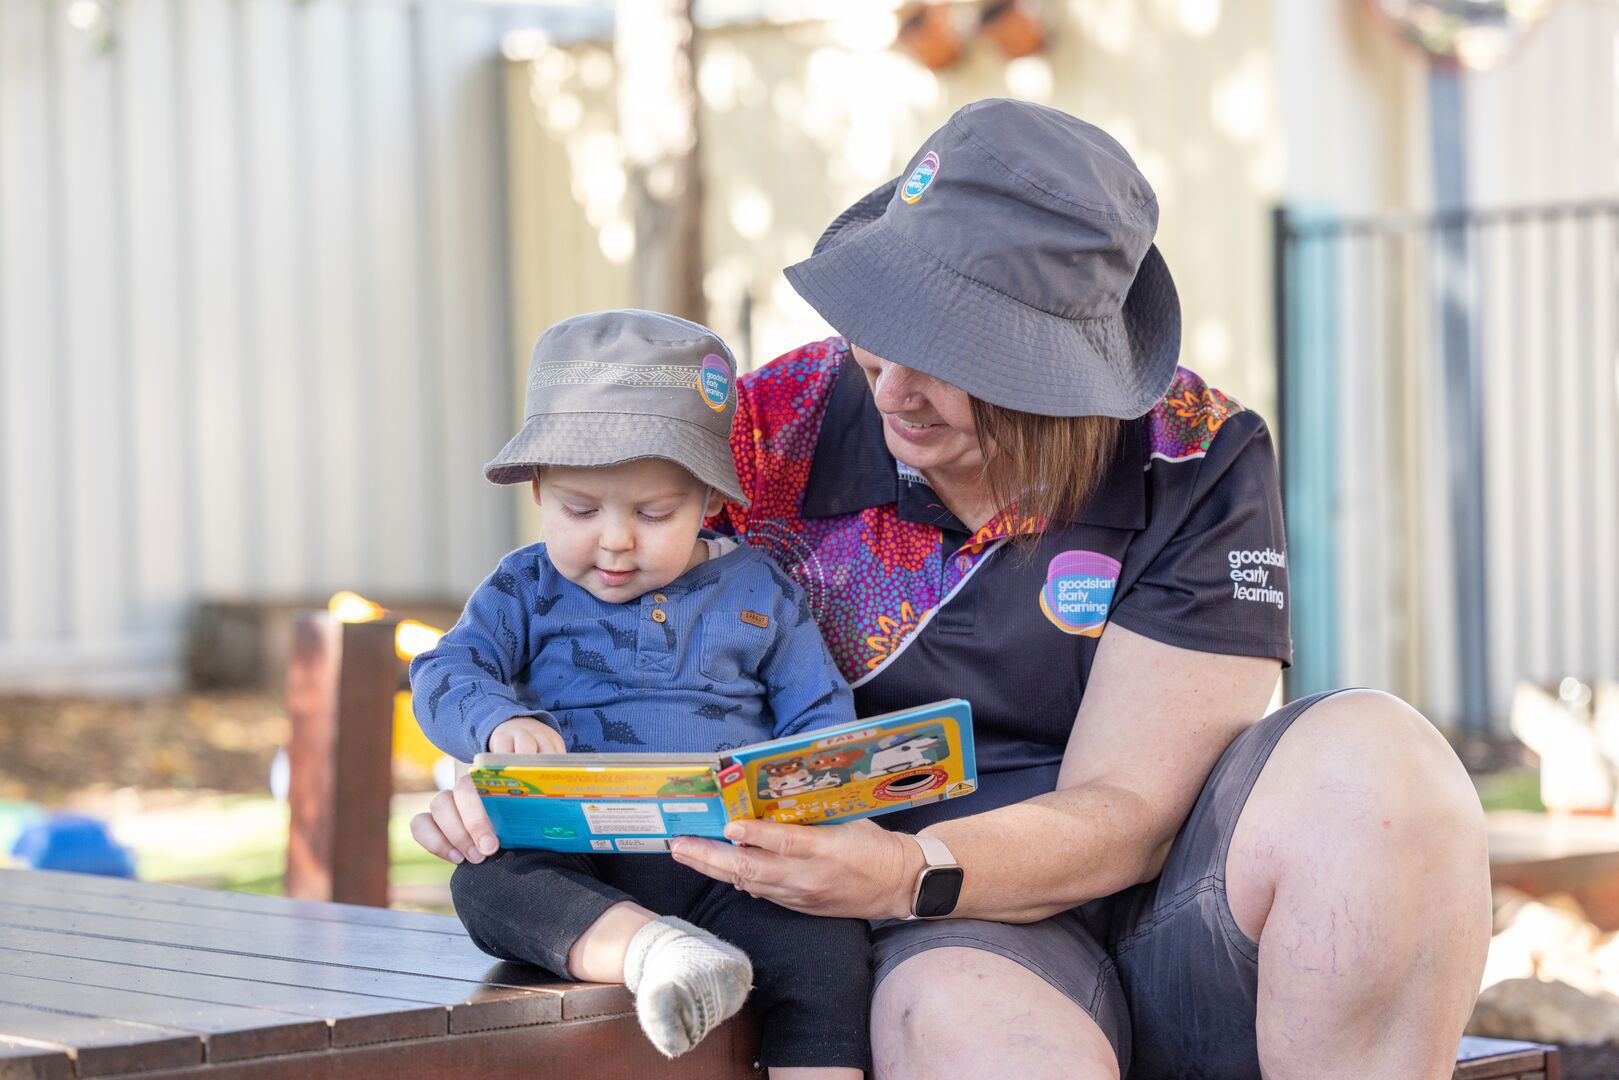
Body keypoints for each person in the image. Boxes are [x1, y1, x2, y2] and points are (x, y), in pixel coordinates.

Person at [415, 100, 1491, 1079]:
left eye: (948, 348)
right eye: (882, 319)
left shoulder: (1193, 458)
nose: (890, 378)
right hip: (940, 942)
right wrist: (500, 762)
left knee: (1381, 766)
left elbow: (1126, 813)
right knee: (959, 1015)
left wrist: (901, 870)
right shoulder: (764, 432)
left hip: (1163, 906)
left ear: (1065, 377)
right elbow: (587, 611)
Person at [409, 310, 871, 1078]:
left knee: (829, 949)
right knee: (486, 885)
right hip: (573, 857)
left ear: (706, 502)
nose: (615, 540)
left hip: (735, 865)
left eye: (654, 514)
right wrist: (499, 720)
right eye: (579, 510)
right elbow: (444, 670)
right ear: (538, 494)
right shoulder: (526, 586)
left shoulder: (758, 588)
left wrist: (817, 803)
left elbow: (819, 717)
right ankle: (658, 952)